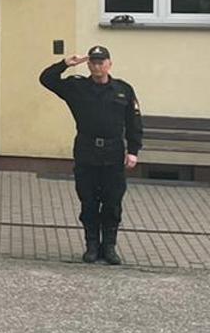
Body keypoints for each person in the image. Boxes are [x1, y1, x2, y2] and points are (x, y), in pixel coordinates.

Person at [40, 45, 143, 266]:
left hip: (113, 153)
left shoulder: (123, 90)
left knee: (112, 202)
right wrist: (66, 63)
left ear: (109, 64)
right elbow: (46, 79)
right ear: (88, 65)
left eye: (101, 62)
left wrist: (133, 151)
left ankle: (109, 247)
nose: (97, 66)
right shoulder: (77, 87)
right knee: (88, 201)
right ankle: (92, 246)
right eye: (93, 62)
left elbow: (134, 122)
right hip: (87, 152)